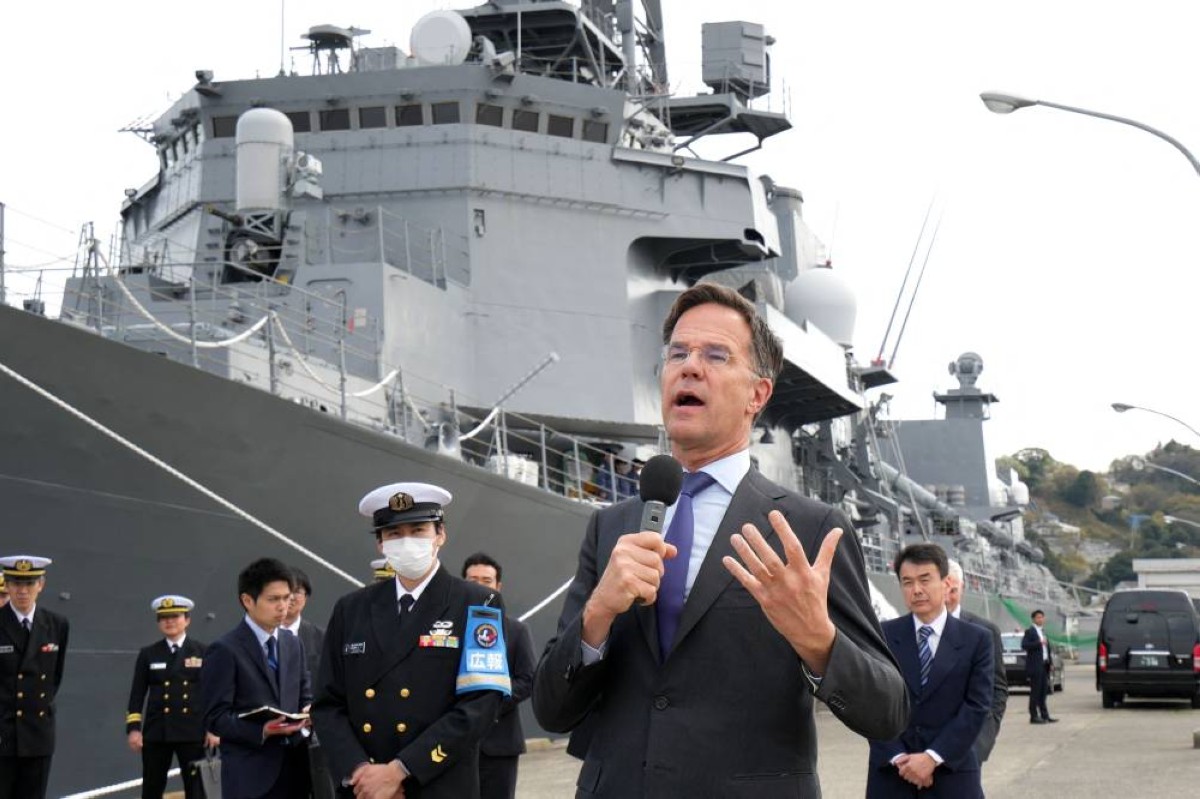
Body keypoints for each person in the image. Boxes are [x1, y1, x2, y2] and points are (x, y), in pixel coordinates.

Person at [532, 283, 908, 797]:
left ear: (758, 395)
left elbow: (888, 711)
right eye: (677, 354)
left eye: (715, 355)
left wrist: (818, 640)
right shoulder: (611, 527)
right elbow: (552, 709)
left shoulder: (809, 529)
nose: (689, 367)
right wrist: (597, 615)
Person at [313, 482, 508, 799]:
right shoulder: (351, 609)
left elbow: (481, 704)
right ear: (380, 544)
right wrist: (360, 772)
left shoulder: (478, 603)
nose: (406, 542)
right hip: (365, 789)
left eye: (418, 530)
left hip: (438, 784)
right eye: (394, 534)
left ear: (440, 535)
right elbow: (327, 703)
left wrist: (401, 771)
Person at [867, 544, 993, 798]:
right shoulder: (881, 636)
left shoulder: (977, 639)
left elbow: (977, 705)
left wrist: (932, 757)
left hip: (952, 773)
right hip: (892, 775)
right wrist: (899, 757)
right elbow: (870, 703)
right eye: (907, 582)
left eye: (925, 580)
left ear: (946, 583)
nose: (916, 590)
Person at [201, 558, 312, 799]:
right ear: (247, 601)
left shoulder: (293, 644)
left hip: (295, 772)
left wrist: (309, 711)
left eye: (286, 598)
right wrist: (261, 730)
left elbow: (305, 695)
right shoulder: (224, 650)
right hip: (249, 778)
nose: (283, 606)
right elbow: (215, 717)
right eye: (273, 599)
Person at [126, 595, 218, 799]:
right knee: (152, 788)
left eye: (175, 616)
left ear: (187, 620)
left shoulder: (203, 651)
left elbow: (212, 693)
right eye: (164, 618)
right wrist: (133, 729)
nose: (169, 622)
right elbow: (137, 695)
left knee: (196, 790)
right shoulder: (149, 654)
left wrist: (213, 728)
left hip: (192, 732)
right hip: (158, 731)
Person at [462, 552, 537, 799]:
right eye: (473, 581)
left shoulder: (516, 630)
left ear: (498, 587)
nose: (480, 587)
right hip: (455, 744)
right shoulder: (447, 629)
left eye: (487, 581)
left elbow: (527, 680)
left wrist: (488, 705)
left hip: (500, 744)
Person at [0, 555, 69, 799]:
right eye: (16, 583)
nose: (22, 591)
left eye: (29, 583)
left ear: (41, 585)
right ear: (7, 585)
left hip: (38, 734)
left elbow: (54, 678)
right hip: (3, 734)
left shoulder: (57, 625)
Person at [945, 560, 1006, 762]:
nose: (947, 598)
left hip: (971, 746)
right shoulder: (912, 631)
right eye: (943, 590)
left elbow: (998, 687)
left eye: (953, 591)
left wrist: (986, 736)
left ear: (962, 588)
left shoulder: (986, 631)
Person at [284, 567, 335, 799]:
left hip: (315, 734)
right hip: (274, 736)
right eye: (286, 591)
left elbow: (333, 682)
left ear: (306, 597)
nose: (291, 597)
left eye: (298, 591)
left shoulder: (322, 638)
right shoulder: (259, 641)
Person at [1022, 609, 1058, 724]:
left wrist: (1050, 663)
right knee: (1035, 692)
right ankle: (1033, 716)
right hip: (1035, 666)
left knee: (1043, 691)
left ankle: (1045, 715)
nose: (1040, 619)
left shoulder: (1043, 632)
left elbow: (1047, 649)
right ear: (1033, 619)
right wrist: (1039, 643)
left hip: (1044, 665)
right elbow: (1024, 645)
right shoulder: (1030, 631)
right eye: (1038, 617)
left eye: (1042, 617)